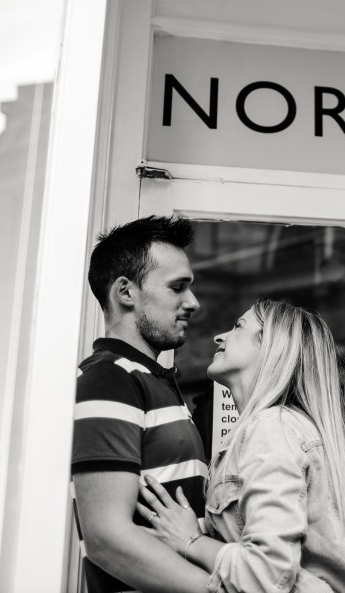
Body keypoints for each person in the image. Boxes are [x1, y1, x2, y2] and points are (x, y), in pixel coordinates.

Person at [138, 299, 345, 593]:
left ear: (271, 345)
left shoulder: (272, 428)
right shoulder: (274, 428)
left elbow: (266, 574)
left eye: (238, 326)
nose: (219, 337)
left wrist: (191, 540)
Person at [71, 215, 212, 593]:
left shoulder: (149, 378)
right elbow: (106, 538)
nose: (193, 302)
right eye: (177, 287)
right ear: (125, 292)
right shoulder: (110, 378)